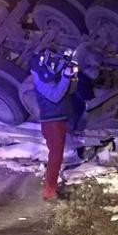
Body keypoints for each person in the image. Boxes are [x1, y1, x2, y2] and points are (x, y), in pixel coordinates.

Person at [31, 48, 81, 201]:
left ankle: (50, 188)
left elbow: (70, 91)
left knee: (56, 156)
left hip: (59, 119)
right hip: (52, 121)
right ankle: (49, 191)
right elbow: (55, 96)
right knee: (55, 156)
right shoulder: (39, 78)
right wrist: (65, 76)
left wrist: (72, 76)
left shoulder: (48, 76)